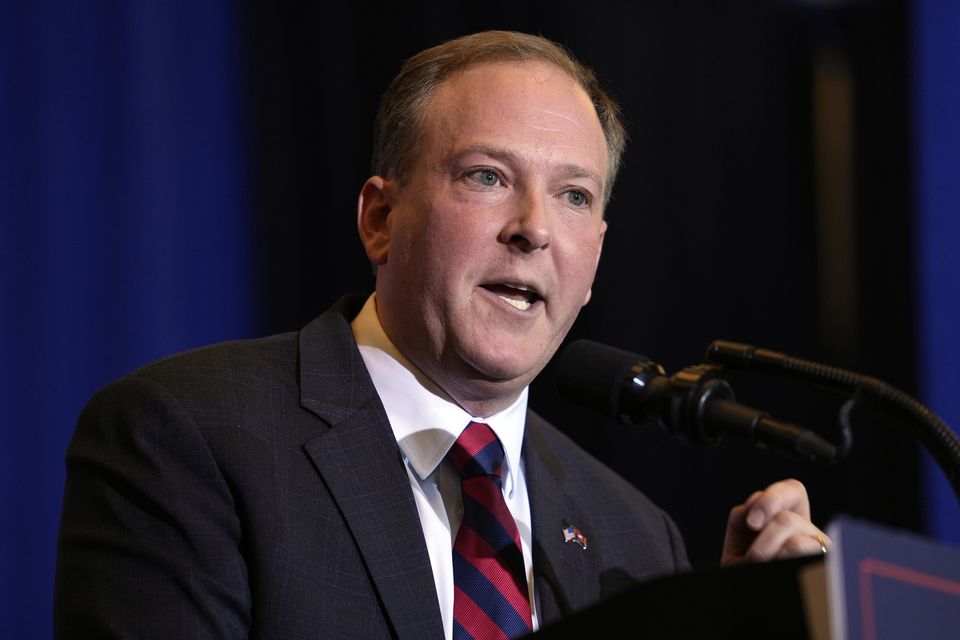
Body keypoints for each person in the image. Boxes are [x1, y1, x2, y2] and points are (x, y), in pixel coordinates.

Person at [54, 30, 829, 639]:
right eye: (487, 177)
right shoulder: (188, 439)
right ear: (381, 219)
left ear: (594, 260)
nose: (533, 230)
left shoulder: (636, 537)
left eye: (572, 195)